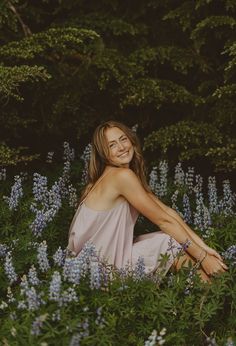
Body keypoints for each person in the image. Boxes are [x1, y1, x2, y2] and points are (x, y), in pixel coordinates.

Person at [67, 120, 228, 283]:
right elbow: (164, 221)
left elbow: (167, 213)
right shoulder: (121, 177)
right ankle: (213, 292)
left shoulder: (110, 177)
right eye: (112, 145)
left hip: (93, 266)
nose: (122, 147)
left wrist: (204, 249)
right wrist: (203, 258)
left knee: (168, 242)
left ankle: (209, 292)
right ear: (103, 153)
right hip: (102, 270)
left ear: (131, 139)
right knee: (167, 243)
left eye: (123, 139)